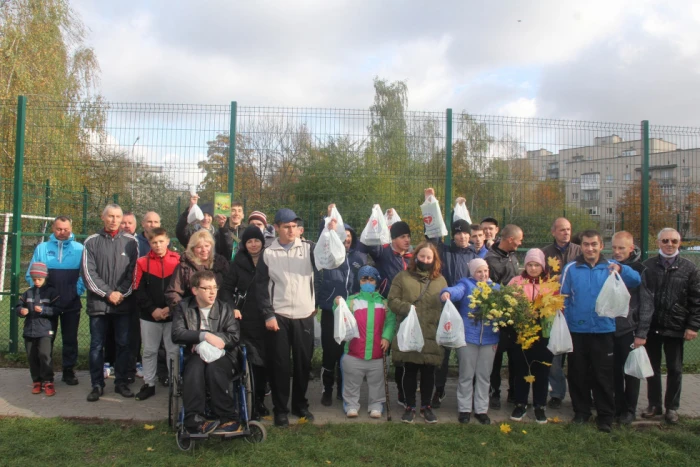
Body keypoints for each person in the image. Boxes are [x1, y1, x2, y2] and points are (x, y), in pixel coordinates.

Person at [560, 229, 640, 432]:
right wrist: (570, 324)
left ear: (601, 246)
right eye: (586, 244)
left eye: (594, 244)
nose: (590, 248)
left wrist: (622, 269)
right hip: (577, 331)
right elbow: (563, 299)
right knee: (578, 374)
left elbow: (636, 281)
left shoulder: (611, 267)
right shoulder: (571, 268)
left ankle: (605, 416)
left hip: (604, 330)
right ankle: (581, 412)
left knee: (603, 375)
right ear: (581, 246)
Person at [256, 208, 318, 427]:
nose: (291, 230)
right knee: (279, 365)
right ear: (278, 228)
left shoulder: (309, 248)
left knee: (303, 364)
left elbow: (325, 266)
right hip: (278, 316)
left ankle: (300, 405)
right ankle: (280, 409)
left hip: (304, 315)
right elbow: (261, 287)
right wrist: (268, 314)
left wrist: (314, 304)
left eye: (294, 226)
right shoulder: (268, 252)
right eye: (286, 227)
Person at [640, 228, 700, 425]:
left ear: (679, 243)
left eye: (674, 241)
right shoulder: (647, 266)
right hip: (653, 325)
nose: (669, 244)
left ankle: (672, 407)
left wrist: (693, 326)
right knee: (652, 368)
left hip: (676, 327)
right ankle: (654, 404)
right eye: (665, 240)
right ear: (658, 243)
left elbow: (696, 299)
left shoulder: (689, 269)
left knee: (675, 368)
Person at [171, 270, 242, 435]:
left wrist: (213, 340)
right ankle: (195, 420)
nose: (212, 292)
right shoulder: (184, 307)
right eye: (206, 288)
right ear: (195, 290)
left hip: (222, 355)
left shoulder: (225, 309)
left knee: (214, 369)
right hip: (195, 355)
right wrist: (204, 335)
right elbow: (176, 334)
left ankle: (227, 417)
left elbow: (234, 336)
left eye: (214, 287)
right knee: (195, 369)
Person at [81, 204, 139, 402]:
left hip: (123, 304)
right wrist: (108, 293)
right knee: (97, 346)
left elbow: (134, 272)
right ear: (103, 217)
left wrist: (120, 293)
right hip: (99, 305)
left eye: (118, 217)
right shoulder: (91, 242)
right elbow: (89, 274)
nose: (114, 220)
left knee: (123, 344)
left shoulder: (131, 242)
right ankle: (97, 385)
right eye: (111, 216)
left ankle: (121, 382)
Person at [358, 210, 413, 406]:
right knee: (384, 350)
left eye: (408, 236)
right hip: (386, 310)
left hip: (408, 311)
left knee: (404, 353)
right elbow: (366, 244)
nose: (407, 240)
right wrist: (373, 221)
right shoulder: (384, 253)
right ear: (393, 238)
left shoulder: (413, 257)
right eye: (402, 237)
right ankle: (378, 394)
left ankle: (402, 391)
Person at [388, 241, 447, 424]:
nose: (425, 260)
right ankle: (409, 406)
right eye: (422, 256)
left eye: (429, 257)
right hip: (410, 333)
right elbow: (392, 300)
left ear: (434, 260)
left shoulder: (440, 280)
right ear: (416, 257)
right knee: (410, 371)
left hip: (431, 332)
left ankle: (426, 407)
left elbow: (445, 306)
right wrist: (407, 308)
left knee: (429, 372)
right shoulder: (402, 277)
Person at [25, 216, 84, 386]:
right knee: (45, 340)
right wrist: (42, 295)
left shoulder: (80, 249)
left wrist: (76, 291)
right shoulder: (42, 248)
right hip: (46, 306)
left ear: (71, 229)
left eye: (66, 229)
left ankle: (68, 372)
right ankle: (45, 375)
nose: (62, 232)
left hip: (71, 303)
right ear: (53, 228)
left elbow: (85, 275)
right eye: (59, 229)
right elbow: (31, 274)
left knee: (70, 339)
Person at [440, 258, 499, 425]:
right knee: (466, 374)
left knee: (484, 375)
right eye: (479, 271)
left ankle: (481, 410)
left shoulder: (496, 288)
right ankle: (464, 409)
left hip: (489, 338)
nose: (483, 274)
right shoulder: (466, 284)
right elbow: (456, 290)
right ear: (473, 272)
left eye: (485, 271)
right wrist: (447, 293)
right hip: (468, 337)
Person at [334, 265, 395, 418]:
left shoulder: (384, 303)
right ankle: (351, 404)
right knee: (351, 381)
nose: (368, 282)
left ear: (377, 282)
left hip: (378, 353)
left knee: (377, 382)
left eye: (371, 279)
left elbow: (390, 322)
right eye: (364, 279)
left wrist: (387, 337)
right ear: (359, 281)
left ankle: (376, 404)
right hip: (354, 352)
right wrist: (337, 303)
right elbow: (341, 314)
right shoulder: (352, 301)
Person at [222, 225, 270, 419]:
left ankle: (259, 400)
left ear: (262, 242)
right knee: (250, 361)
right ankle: (246, 401)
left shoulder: (270, 259)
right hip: (245, 319)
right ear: (244, 244)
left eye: (256, 240)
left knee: (264, 363)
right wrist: (232, 306)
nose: (253, 244)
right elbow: (226, 287)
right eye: (249, 241)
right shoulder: (238, 262)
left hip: (267, 317)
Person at [430, 213, 477, 409]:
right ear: (453, 236)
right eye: (458, 234)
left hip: (471, 313)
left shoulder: (477, 255)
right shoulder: (445, 252)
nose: (462, 237)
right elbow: (432, 235)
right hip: (448, 310)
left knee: (468, 354)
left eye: (465, 233)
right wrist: (430, 202)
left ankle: (470, 393)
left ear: (470, 235)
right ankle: (439, 390)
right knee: (443, 353)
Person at [132, 227, 181, 401]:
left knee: (173, 350)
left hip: (172, 314)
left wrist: (169, 308)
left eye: (161, 241)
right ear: (149, 243)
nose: (158, 245)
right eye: (154, 242)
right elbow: (138, 290)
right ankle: (149, 384)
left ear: (168, 241)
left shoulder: (177, 260)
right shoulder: (142, 262)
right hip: (149, 315)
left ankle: (176, 384)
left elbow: (181, 288)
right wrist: (152, 310)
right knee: (149, 351)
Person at [507, 249, 555, 424]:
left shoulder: (550, 283)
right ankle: (520, 403)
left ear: (543, 266)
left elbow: (557, 307)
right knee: (522, 369)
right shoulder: (516, 282)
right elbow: (508, 304)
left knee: (541, 370)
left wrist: (543, 312)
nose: (533, 268)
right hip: (521, 332)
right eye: (530, 264)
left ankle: (539, 406)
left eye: (537, 265)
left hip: (543, 333)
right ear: (525, 265)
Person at [610, 231, 650, 425]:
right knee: (615, 371)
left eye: (621, 248)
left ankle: (630, 410)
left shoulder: (641, 270)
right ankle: (618, 407)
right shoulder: (608, 267)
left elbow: (646, 304)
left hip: (630, 329)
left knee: (631, 372)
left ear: (631, 248)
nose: (617, 252)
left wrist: (641, 333)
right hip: (611, 329)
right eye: (614, 248)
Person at [317, 205, 355, 407]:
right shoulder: (328, 256)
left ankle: (342, 390)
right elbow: (321, 239)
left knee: (345, 354)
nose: (346, 240)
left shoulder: (356, 258)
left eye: (349, 238)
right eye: (343, 236)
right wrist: (329, 221)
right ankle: (327, 390)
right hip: (330, 312)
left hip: (349, 314)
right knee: (329, 354)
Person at [542, 217, 581, 410]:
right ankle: (556, 394)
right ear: (553, 232)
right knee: (555, 357)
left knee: (577, 358)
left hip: (575, 310)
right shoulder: (546, 253)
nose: (566, 233)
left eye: (568, 229)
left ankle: (578, 395)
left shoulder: (579, 251)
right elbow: (539, 278)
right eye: (562, 230)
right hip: (554, 311)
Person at [485, 224, 523, 410]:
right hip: (497, 317)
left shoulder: (513, 256)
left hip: (515, 316)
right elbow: (488, 288)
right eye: (519, 240)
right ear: (509, 240)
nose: (521, 243)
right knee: (496, 358)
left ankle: (514, 393)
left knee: (516, 356)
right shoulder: (491, 260)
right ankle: (494, 393)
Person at [16, 262, 60, 396]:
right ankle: (36, 381)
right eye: (34, 279)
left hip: (45, 330)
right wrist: (21, 310)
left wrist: (43, 310)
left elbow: (57, 310)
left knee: (44, 355)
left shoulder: (52, 292)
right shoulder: (27, 293)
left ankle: (48, 381)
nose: (37, 282)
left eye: (39, 279)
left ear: (45, 277)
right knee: (32, 356)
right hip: (29, 330)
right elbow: (18, 306)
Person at [165, 229, 231, 310]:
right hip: (192, 313)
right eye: (199, 247)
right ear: (192, 249)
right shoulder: (184, 266)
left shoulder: (221, 263)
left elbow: (229, 288)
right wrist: (183, 311)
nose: (204, 250)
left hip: (219, 312)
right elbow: (173, 292)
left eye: (207, 246)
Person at [121, 211, 143, 382]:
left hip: (137, 295)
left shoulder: (139, 243)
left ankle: (134, 365)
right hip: (116, 295)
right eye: (124, 222)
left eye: (129, 223)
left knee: (135, 333)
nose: (126, 225)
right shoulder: (114, 242)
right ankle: (117, 366)